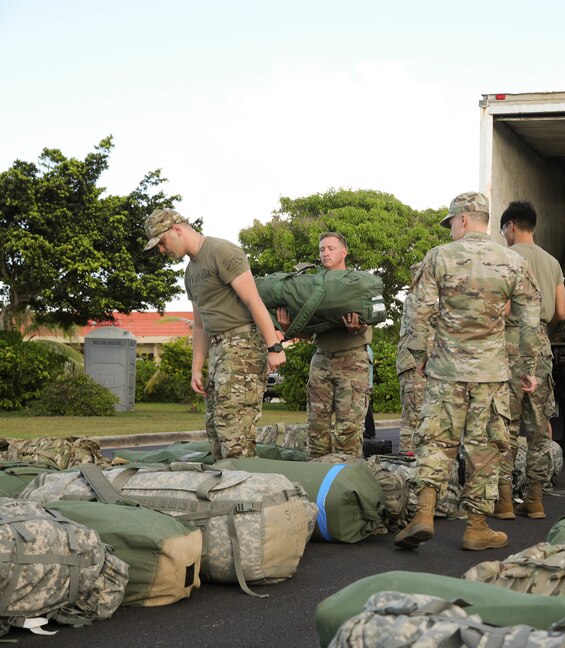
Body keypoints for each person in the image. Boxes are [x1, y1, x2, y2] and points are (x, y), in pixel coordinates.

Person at [394, 191, 542, 551]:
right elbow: (529, 321)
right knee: (487, 448)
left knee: (436, 441)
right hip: (491, 373)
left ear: (462, 220)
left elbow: (419, 313)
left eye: (451, 225)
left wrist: (419, 355)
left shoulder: (439, 257)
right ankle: (476, 527)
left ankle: (424, 513)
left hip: (446, 369)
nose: (450, 232)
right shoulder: (511, 261)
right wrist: (527, 368)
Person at [144, 209, 286, 460]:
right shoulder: (190, 273)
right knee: (216, 427)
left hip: (242, 345)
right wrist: (196, 369)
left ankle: (246, 491)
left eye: (162, 242)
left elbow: (253, 301)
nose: (162, 251)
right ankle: (226, 491)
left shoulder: (222, 251)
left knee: (234, 429)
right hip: (219, 349)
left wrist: (273, 347)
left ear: (177, 229)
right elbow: (200, 325)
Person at [495, 200, 565, 520]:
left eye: (503, 230)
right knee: (539, 426)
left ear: (510, 226)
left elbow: (506, 308)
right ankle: (535, 499)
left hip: (510, 343)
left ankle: (505, 500)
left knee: (504, 423)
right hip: (540, 345)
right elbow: (562, 313)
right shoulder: (552, 262)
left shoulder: (505, 258)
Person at [276, 232, 371, 458]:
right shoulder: (313, 285)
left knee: (348, 431)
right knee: (316, 429)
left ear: (344, 252)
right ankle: (319, 484)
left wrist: (357, 327)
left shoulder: (357, 283)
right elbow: (311, 334)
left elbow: (367, 322)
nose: (325, 253)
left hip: (352, 361)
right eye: (321, 250)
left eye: (330, 248)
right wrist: (289, 326)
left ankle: (345, 484)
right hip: (321, 359)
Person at [396, 262, 425, 454]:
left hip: (415, 363)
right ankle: (409, 460)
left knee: (415, 414)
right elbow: (421, 333)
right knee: (414, 416)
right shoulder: (417, 298)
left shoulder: (417, 298)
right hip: (415, 363)